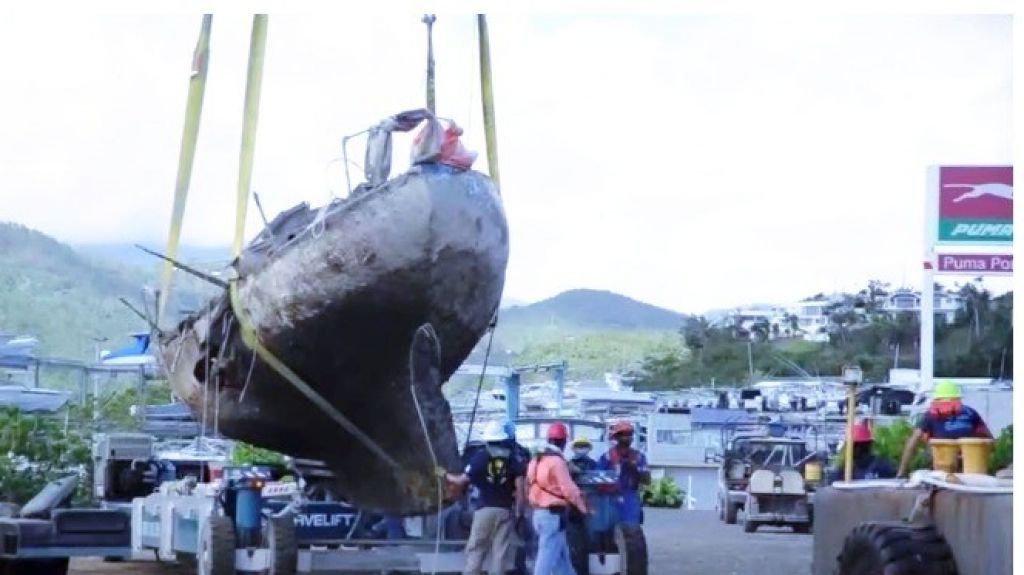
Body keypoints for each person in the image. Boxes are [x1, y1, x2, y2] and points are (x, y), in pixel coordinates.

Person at [447, 420, 526, 575]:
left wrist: (443, 474)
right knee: (500, 553)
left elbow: (461, 481)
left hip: (484, 510)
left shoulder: (480, 457)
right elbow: (521, 488)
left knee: (476, 549)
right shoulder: (513, 458)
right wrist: (519, 512)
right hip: (505, 511)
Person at [527, 421, 588, 575]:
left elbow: (529, 482)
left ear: (549, 439)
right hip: (553, 517)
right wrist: (584, 508)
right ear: (564, 442)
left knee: (562, 561)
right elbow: (569, 490)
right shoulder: (557, 462)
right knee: (545, 562)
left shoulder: (536, 460)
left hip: (539, 514)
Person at [897, 380, 992, 477]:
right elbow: (989, 437)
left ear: (936, 399)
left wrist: (901, 471)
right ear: (957, 398)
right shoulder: (970, 412)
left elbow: (913, 442)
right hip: (970, 466)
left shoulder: (930, 415)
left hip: (944, 465)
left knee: (932, 445)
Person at [596, 420, 650, 525]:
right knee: (608, 535)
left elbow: (647, 480)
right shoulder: (607, 457)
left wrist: (634, 469)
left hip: (630, 499)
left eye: (629, 434)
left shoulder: (638, 457)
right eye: (623, 434)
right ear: (616, 437)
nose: (626, 437)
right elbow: (596, 479)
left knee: (631, 532)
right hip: (610, 500)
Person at [827, 421, 896, 484]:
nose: (858, 449)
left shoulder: (882, 465)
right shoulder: (842, 471)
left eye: (861, 445)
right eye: (855, 446)